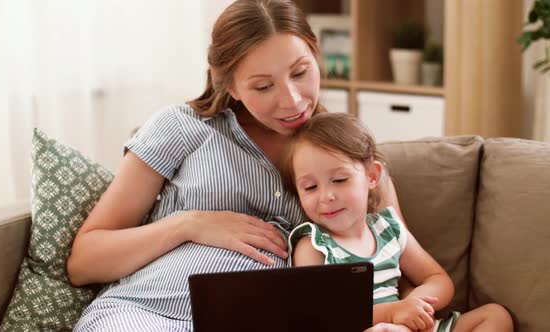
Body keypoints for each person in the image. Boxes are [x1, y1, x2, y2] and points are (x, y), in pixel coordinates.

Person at [68, 0, 406, 331]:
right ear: (229, 84)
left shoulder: (350, 158)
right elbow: (84, 262)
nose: (292, 99)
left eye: (301, 72)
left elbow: (397, 264)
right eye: (263, 86)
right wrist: (190, 224)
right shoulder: (180, 127)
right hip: (146, 312)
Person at [283, 112, 514, 332]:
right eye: (310, 187)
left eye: (340, 180)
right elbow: (319, 315)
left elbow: (439, 280)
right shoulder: (313, 244)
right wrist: (394, 312)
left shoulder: (388, 228)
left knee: (495, 316)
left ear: (372, 176)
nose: (326, 196)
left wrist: (414, 305)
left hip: (412, 325)